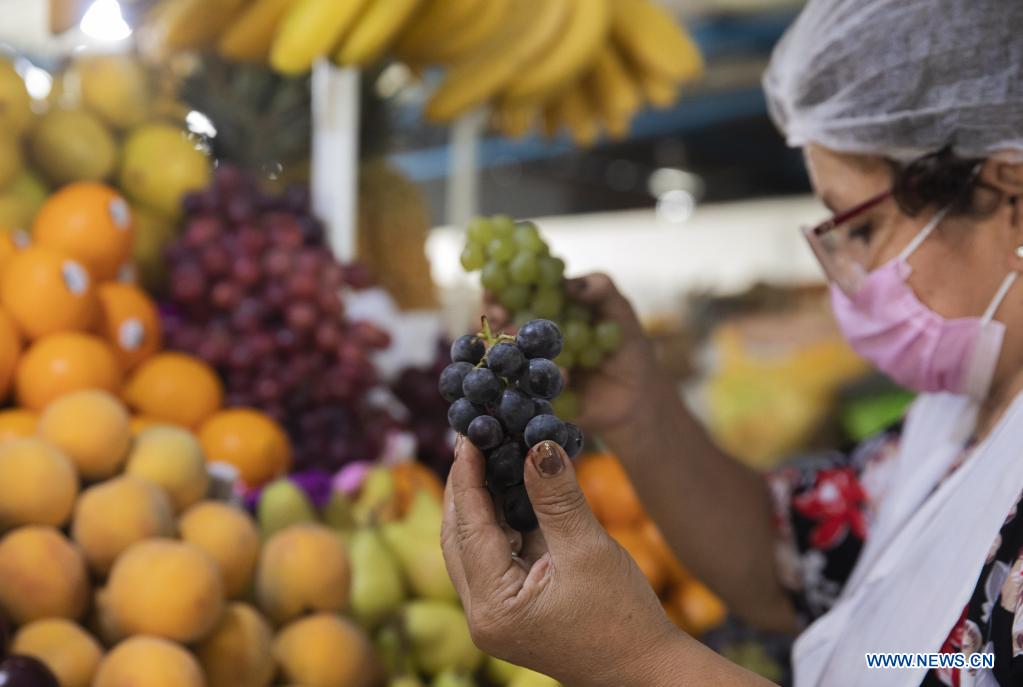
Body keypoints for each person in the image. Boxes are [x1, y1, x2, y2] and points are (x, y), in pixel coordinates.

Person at [440, 0, 1023, 685]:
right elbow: (791, 564)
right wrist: (639, 406)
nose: (852, 277)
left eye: (862, 231)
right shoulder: (955, 418)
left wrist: (638, 661)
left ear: (1006, 187)